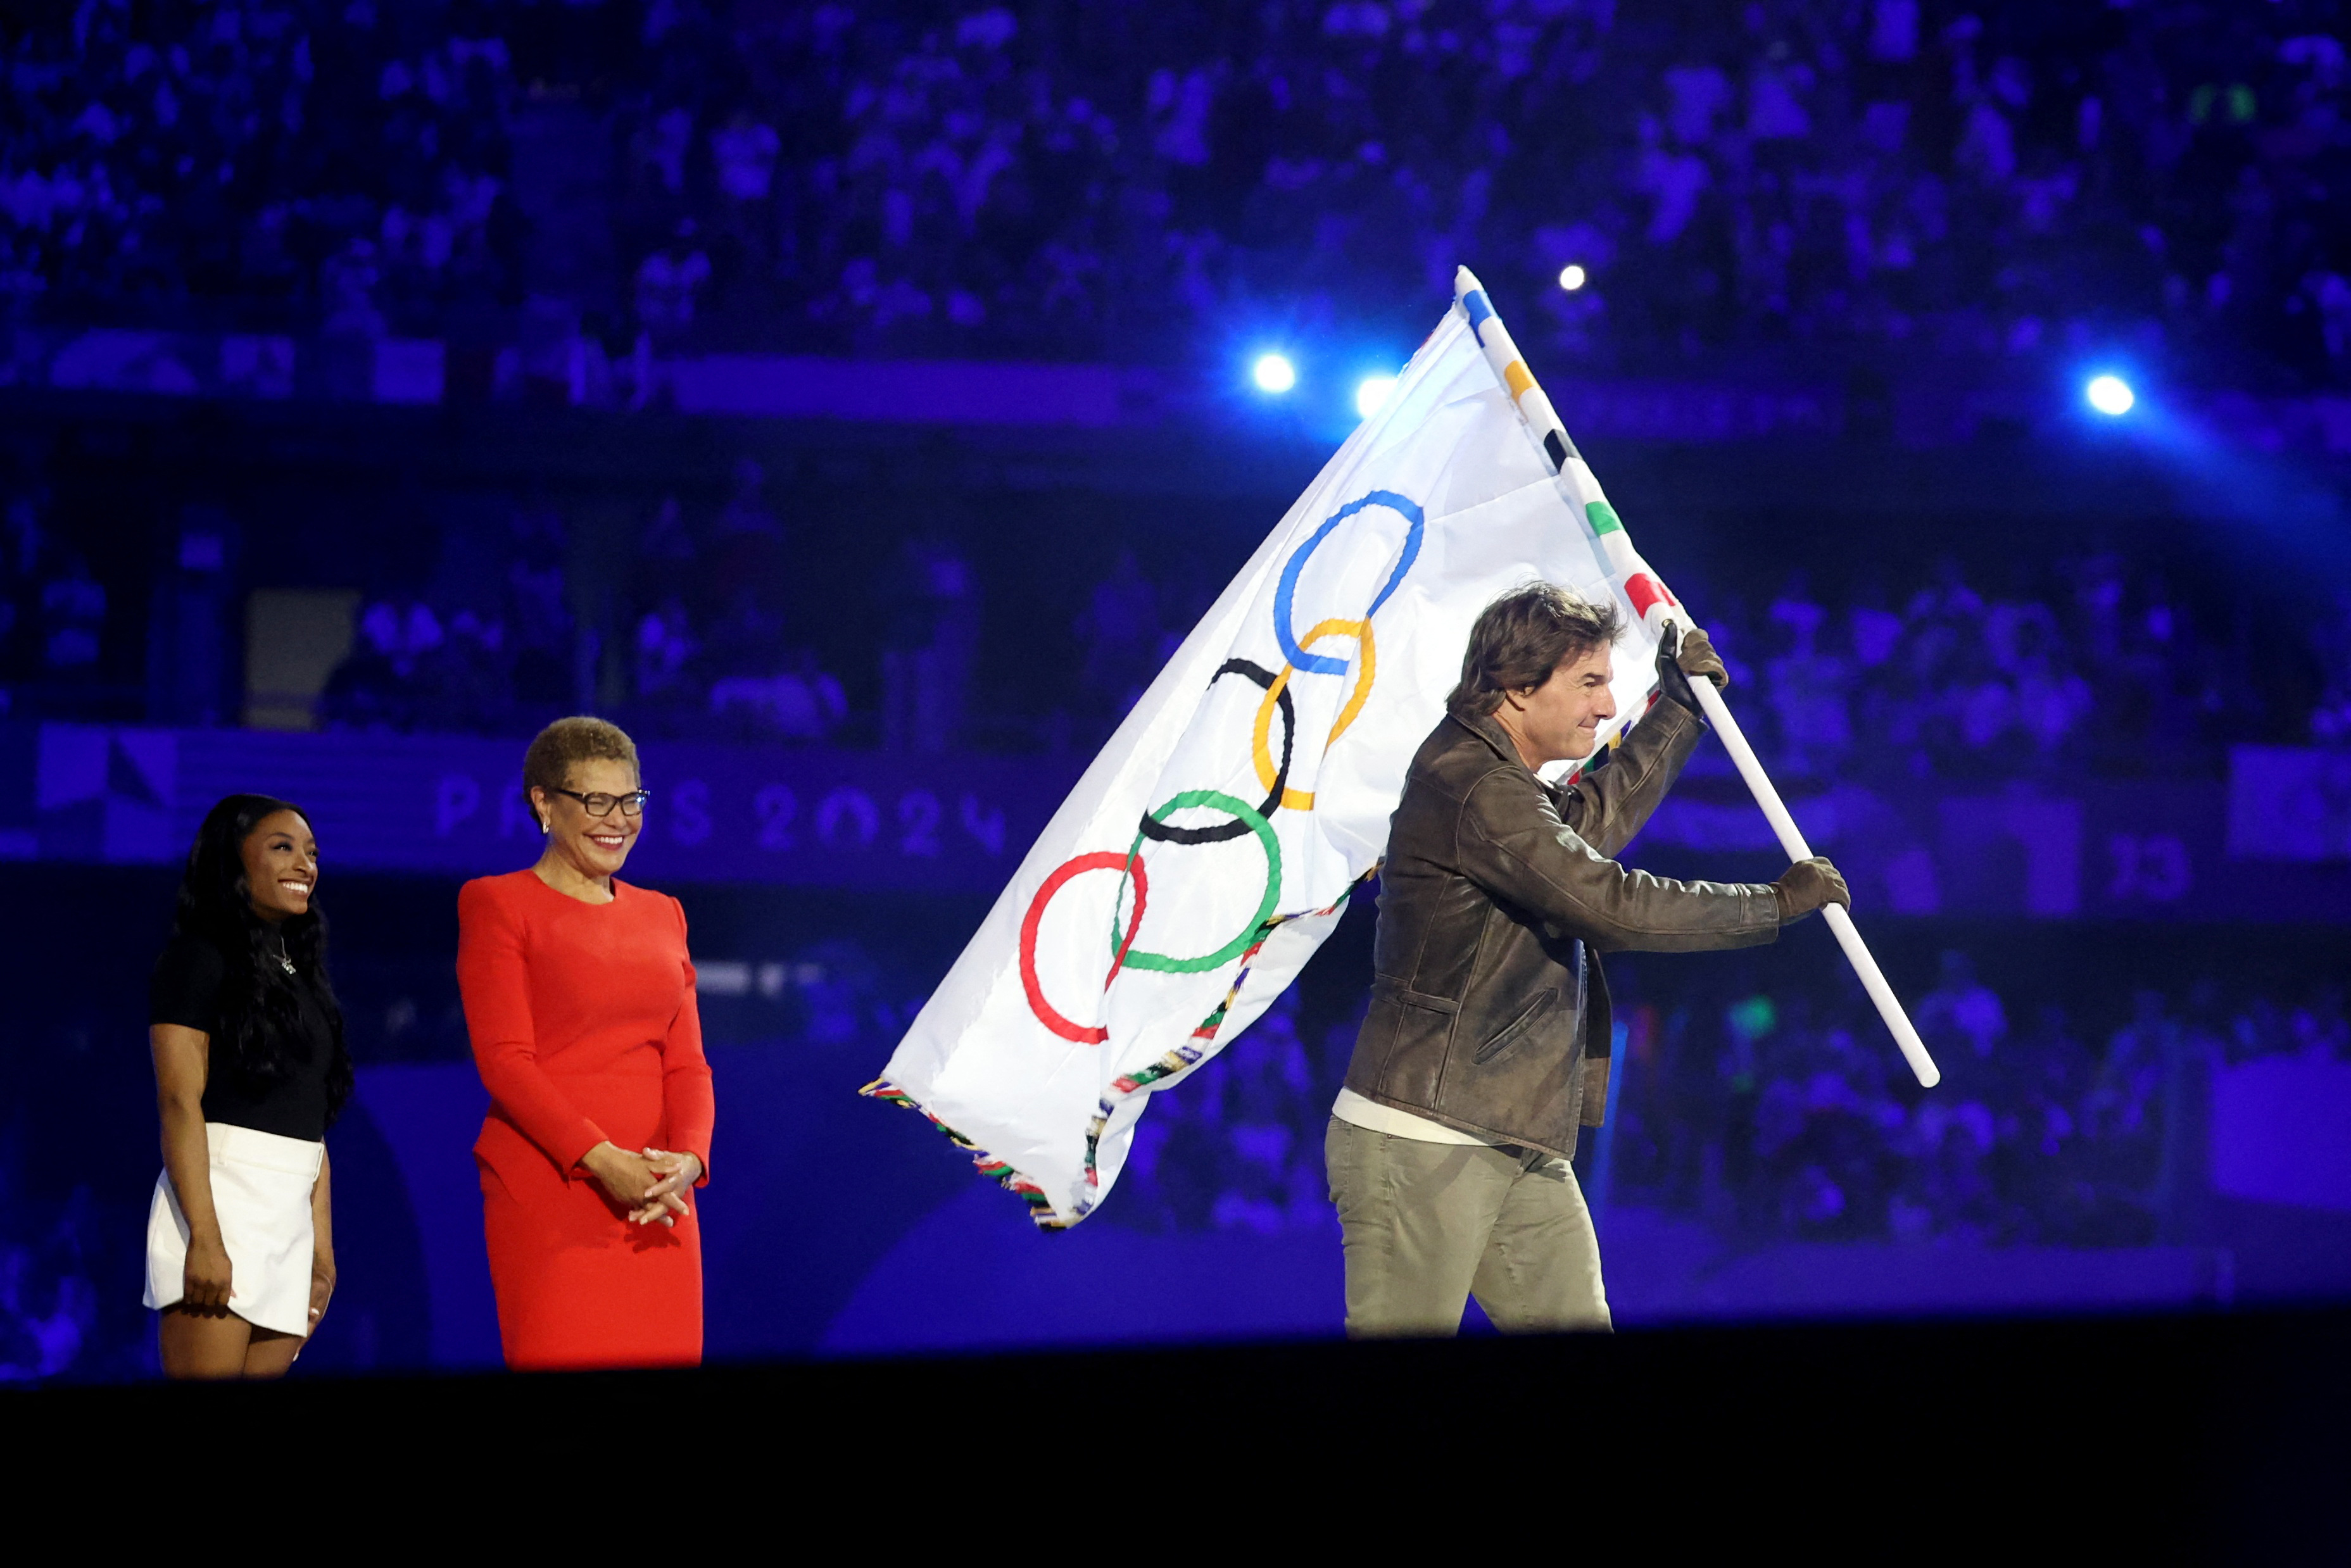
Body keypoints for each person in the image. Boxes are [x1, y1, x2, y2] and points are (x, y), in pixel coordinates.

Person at [1327, 584, 1850, 1336]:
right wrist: (1767, 904)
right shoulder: (1471, 785)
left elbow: (1584, 829)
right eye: (1590, 683)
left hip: (1511, 1136)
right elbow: (1605, 900)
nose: (1607, 707)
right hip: (1422, 1137)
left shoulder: (1497, 782)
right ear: (1515, 686)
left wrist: (1678, 708)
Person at [456, 716, 714, 1370]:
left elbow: (687, 1062)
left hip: (660, 1204)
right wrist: (604, 1161)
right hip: (553, 1193)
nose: (617, 819)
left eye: (631, 800)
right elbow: (505, 1062)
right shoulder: (496, 903)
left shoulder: (664, 912)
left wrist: (687, 1160)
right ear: (543, 801)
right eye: (595, 800)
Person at [144, 794, 353, 1379]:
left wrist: (322, 1252)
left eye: (311, 852)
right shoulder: (197, 958)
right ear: (233, 862)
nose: (304, 864)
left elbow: (311, 1125)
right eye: (282, 848)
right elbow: (179, 1102)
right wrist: (205, 1239)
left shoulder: (304, 979)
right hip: (220, 1207)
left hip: (289, 1223)